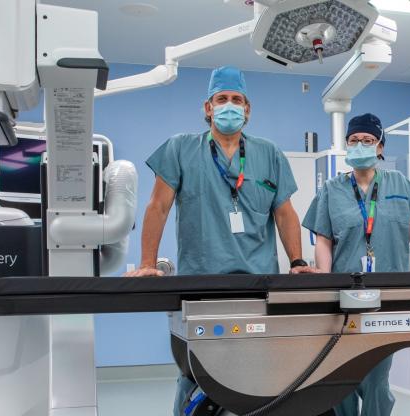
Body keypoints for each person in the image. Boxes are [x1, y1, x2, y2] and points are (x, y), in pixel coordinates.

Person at [124, 65, 315, 415]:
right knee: (196, 370)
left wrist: (298, 262)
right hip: (203, 281)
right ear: (208, 108)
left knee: (257, 371)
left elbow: (285, 213)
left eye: (237, 100)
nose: (230, 105)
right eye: (222, 99)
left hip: (257, 282)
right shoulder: (181, 149)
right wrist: (148, 264)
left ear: (248, 109)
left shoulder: (268, 153)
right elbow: (158, 207)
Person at [303, 113, 410, 416]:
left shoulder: (398, 183)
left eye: (367, 140)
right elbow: (324, 241)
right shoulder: (332, 189)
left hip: (387, 298)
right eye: (354, 140)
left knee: (376, 378)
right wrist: (324, 283)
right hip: (344, 298)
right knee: (340, 377)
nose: (360, 145)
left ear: (380, 147)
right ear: (346, 145)